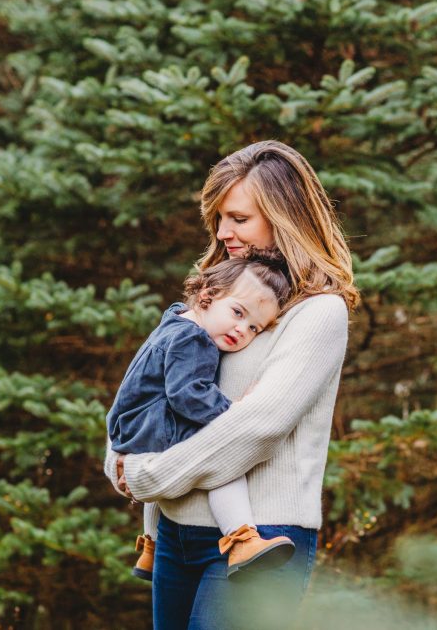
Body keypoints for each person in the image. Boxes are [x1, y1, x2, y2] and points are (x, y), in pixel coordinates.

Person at [104, 140, 359, 630]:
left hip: (261, 538)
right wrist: (118, 455)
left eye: (239, 218)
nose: (224, 232)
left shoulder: (318, 312)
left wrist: (145, 475)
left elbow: (256, 427)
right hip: (175, 535)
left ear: (284, 215)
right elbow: (146, 385)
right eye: (219, 218)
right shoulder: (218, 293)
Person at [105, 247, 296, 582]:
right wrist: (233, 412)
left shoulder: (176, 319)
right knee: (222, 463)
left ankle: (151, 546)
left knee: (174, 465)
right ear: (208, 295)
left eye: (253, 327)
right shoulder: (196, 340)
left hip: (131, 426)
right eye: (238, 312)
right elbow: (187, 394)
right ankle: (242, 539)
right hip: (153, 424)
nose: (242, 330)